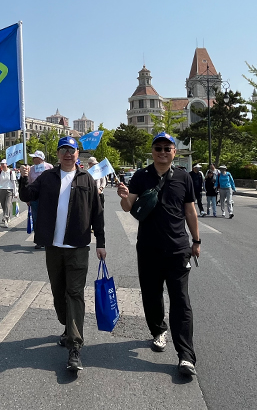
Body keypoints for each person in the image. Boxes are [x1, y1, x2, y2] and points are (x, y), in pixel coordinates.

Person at [18, 136, 106, 372]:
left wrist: (101, 241)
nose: (68, 154)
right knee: (59, 294)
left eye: (72, 150)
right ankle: (68, 327)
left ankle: (75, 347)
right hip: (53, 247)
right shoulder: (47, 177)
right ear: (57, 154)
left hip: (78, 247)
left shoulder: (86, 178)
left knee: (74, 293)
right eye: (63, 150)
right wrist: (24, 177)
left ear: (78, 154)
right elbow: (27, 196)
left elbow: (97, 212)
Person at [117, 131, 200, 377]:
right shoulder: (141, 176)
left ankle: (185, 355)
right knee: (152, 297)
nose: (163, 152)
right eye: (158, 148)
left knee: (181, 302)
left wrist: (196, 241)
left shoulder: (184, 177)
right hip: (149, 249)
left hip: (177, 249)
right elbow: (128, 206)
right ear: (152, 151)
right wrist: (123, 197)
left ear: (175, 151)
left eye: (167, 148)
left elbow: (190, 211)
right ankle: (158, 331)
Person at [27, 150, 54, 249]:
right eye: (33, 158)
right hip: (35, 197)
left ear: (40, 158)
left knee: (48, 218)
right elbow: (29, 183)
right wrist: (28, 198)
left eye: (35, 157)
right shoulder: (31, 169)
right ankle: (39, 240)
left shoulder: (49, 167)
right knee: (36, 218)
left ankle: (49, 239)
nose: (33, 159)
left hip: (47, 197)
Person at [0, 159, 18, 227]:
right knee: (3, 205)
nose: (2, 165)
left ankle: (5, 218)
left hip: (9, 190)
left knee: (7, 205)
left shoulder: (11, 172)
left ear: (6, 164)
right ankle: (7, 216)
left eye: (3, 164)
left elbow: (14, 183)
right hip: (2, 190)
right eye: (1, 164)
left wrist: (15, 192)